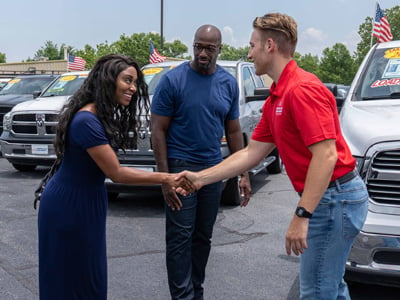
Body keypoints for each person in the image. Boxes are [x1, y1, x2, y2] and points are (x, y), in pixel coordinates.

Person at [177, 13, 368, 300]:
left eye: (252, 45)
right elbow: (252, 152)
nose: (249, 52)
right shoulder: (278, 95)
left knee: (317, 291)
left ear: (269, 46)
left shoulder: (301, 89)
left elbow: (326, 156)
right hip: (330, 199)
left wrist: (302, 215)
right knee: (331, 288)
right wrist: (200, 179)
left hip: (334, 200)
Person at [38, 54, 193, 300]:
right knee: (74, 280)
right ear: (109, 80)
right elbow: (116, 173)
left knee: (87, 277)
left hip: (85, 201)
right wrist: (167, 178)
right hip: (70, 207)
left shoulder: (97, 115)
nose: (133, 88)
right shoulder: (86, 121)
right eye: (127, 80)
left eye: (135, 82)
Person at [151, 25, 251, 299]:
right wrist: (164, 179)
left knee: (202, 237)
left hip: (213, 170)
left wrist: (243, 173)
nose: (202, 52)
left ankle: (196, 291)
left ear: (220, 49)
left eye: (209, 48)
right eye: (198, 46)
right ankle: (182, 296)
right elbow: (157, 130)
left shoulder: (228, 83)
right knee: (180, 238)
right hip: (180, 167)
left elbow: (232, 131)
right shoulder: (174, 80)